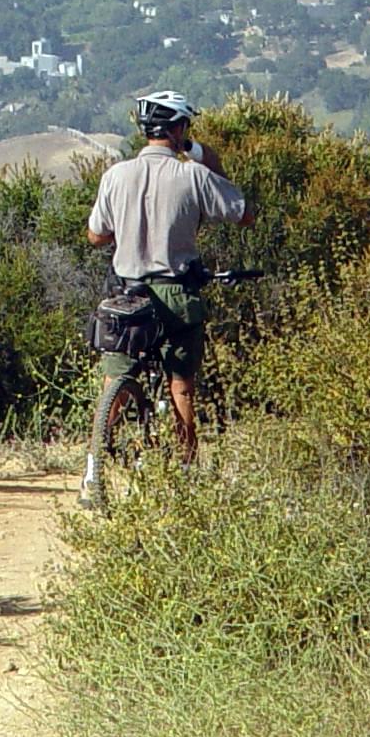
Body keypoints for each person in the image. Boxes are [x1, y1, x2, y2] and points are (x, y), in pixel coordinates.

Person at [80, 90, 253, 507]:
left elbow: (95, 235)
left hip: (128, 296)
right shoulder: (192, 175)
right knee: (181, 387)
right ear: (177, 130)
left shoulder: (115, 176)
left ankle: (91, 475)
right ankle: (187, 473)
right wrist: (198, 152)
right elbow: (243, 212)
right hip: (177, 294)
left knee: (114, 381)